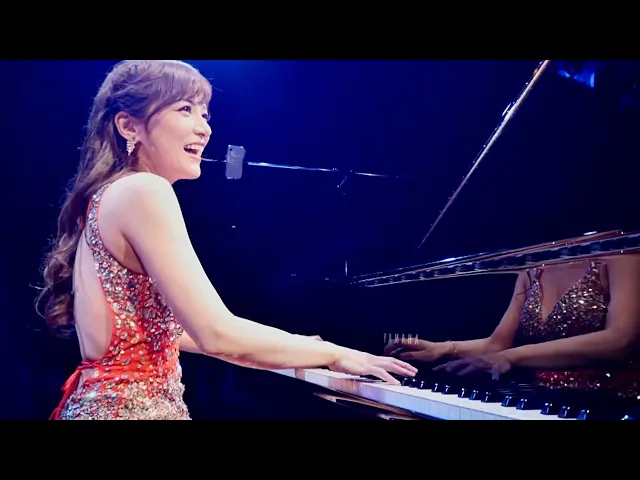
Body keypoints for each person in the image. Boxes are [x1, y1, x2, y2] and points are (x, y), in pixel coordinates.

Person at [36, 60, 417, 420]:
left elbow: (172, 333)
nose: (204, 128)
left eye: (204, 114)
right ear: (128, 126)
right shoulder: (144, 190)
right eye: (185, 109)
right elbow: (216, 334)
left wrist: (295, 344)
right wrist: (332, 352)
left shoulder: (106, 195)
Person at [385, 257, 640, 397]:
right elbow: (497, 344)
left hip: (613, 398)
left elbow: (621, 339)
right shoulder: (534, 269)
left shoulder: (621, 255)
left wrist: (511, 357)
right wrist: (441, 348)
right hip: (547, 398)